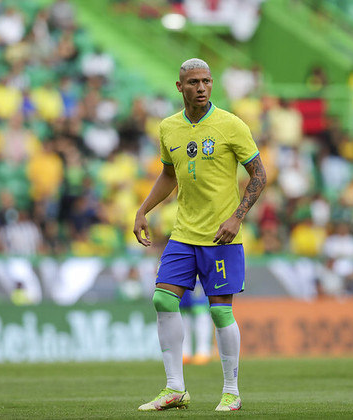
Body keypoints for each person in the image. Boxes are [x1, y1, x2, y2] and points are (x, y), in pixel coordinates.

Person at [133, 58, 266, 412]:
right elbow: (168, 175)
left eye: (206, 80)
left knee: (220, 311)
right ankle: (175, 387)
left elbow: (259, 175)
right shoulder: (169, 128)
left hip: (222, 236)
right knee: (163, 300)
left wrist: (237, 218)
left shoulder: (231, 125)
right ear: (180, 87)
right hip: (184, 232)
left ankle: (232, 392)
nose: (202, 87)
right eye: (193, 82)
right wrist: (144, 209)